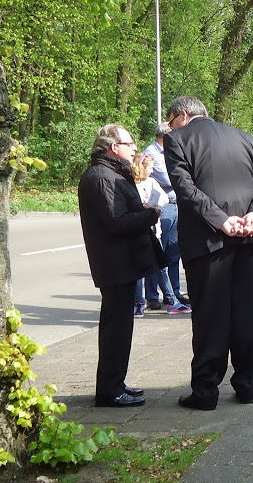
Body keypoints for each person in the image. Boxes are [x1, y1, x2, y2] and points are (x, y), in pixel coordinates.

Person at [164, 96, 253, 410]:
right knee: (250, 316)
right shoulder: (244, 136)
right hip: (252, 238)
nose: (169, 126)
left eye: (170, 120)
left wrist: (222, 221)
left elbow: (184, 188)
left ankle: (206, 391)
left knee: (210, 317)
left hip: (208, 240)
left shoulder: (177, 139)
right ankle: (247, 386)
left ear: (182, 116)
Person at [78, 124, 165, 407]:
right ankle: (109, 390)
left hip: (121, 262)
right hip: (115, 265)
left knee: (120, 327)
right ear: (114, 147)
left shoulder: (110, 173)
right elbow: (115, 222)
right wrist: (150, 214)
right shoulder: (102, 177)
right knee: (116, 328)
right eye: (130, 144)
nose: (135, 149)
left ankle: (115, 383)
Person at [131, 153, 192, 316]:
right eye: (149, 168)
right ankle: (139, 302)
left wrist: (153, 204)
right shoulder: (130, 184)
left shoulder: (151, 182)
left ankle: (171, 300)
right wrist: (143, 206)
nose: (151, 171)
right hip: (138, 230)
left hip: (153, 230)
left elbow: (164, 198)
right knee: (139, 268)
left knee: (160, 265)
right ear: (141, 168)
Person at [143, 122, 190, 309]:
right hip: (164, 207)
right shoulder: (152, 153)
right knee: (157, 253)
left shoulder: (169, 152)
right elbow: (170, 178)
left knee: (173, 252)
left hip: (177, 205)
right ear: (165, 136)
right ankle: (152, 296)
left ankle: (173, 293)